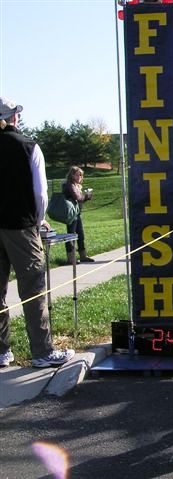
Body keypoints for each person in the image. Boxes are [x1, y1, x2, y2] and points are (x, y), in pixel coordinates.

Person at [0, 97, 75, 368]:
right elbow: (40, 192)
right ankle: (42, 352)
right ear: (12, 118)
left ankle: (1, 350)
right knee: (33, 289)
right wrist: (38, 219)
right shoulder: (29, 146)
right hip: (21, 225)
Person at [62, 166, 94, 264]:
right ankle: (71, 258)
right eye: (77, 174)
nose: (80, 177)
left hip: (77, 214)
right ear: (72, 175)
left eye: (81, 175)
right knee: (71, 236)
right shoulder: (70, 185)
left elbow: (79, 199)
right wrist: (86, 196)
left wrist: (84, 197)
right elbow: (78, 197)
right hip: (71, 214)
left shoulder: (76, 185)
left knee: (81, 235)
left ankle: (83, 256)